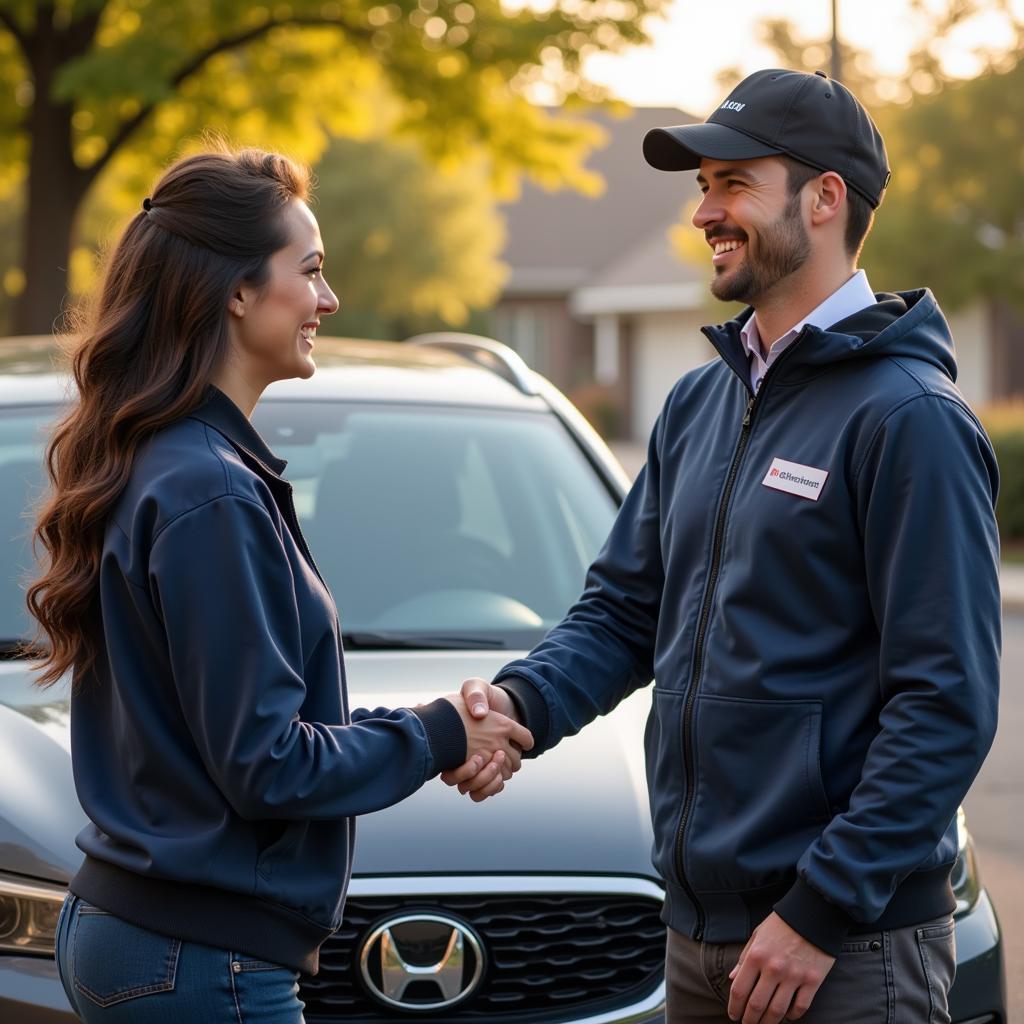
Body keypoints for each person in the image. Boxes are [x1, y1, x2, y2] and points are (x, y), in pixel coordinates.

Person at [444, 69, 1000, 1024]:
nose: (706, 211)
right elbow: (624, 612)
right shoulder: (702, 402)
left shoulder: (910, 419)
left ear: (825, 198)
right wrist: (522, 704)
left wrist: (820, 912)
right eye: (703, 186)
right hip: (696, 941)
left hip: (843, 951)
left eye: (733, 182)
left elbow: (946, 705)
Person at [27, 145, 532, 1023]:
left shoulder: (173, 463)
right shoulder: (209, 489)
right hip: (199, 959)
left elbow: (252, 736)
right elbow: (269, 767)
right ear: (235, 291)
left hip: (154, 938)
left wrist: (434, 728)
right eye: (311, 272)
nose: (328, 301)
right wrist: (442, 733)